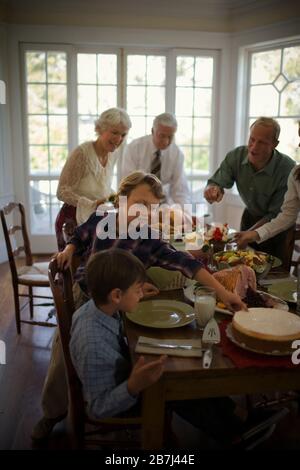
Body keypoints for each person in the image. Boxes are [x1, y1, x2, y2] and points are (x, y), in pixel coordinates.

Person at [31, 171, 246, 442]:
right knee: (62, 355)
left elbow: (188, 264)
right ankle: (51, 414)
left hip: (120, 305)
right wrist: (70, 251)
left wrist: (225, 294)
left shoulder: (149, 237)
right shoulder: (102, 219)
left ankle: (131, 391)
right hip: (85, 295)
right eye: (140, 204)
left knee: (125, 352)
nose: (145, 213)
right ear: (122, 200)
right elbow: (79, 236)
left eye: (152, 208)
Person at [70, 248, 250, 448]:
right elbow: (98, 408)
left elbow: (121, 304)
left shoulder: (98, 307)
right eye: (137, 289)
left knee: (186, 373)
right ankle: (234, 435)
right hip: (124, 397)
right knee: (179, 388)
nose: (141, 293)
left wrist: (134, 294)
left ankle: (236, 416)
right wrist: (133, 385)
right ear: (116, 295)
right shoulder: (93, 342)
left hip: (128, 369)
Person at [204, 117, 295, 259]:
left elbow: (276, 215)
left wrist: (250, 233)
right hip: (249, 218)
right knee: (242, 264)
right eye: (252, 139)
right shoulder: (236, 156)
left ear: (274, 144)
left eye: (262, 142)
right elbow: (218, 182)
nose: (254, 147)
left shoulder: (287, 169)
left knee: (273, 274)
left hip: (277, 229)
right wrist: (213, 189)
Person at [55, 107, 131, 250]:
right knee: (80, 268)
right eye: (114, 132)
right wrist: (92, 203)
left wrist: (116, 198)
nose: (119, 139)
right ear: (100, 129)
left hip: (96, 218)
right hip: (73, 221)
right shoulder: (82, 153)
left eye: (123, 134)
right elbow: (62, 191)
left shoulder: (113, 154)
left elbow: (102, 187)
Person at [234, 121, 300, 250]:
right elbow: (287, 215)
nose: (299, 144)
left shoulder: (286, 167)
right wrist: (254, 234)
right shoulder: (296, 174)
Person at [121, 113, 191, 207]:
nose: (166, 141)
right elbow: (128, 185)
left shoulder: (177, 154)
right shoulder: (134, 148)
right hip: (137, 202)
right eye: (162, 136)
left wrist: (183, 213)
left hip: (163, 205)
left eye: (170, 137)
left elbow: (180, 190)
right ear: (153, 131)